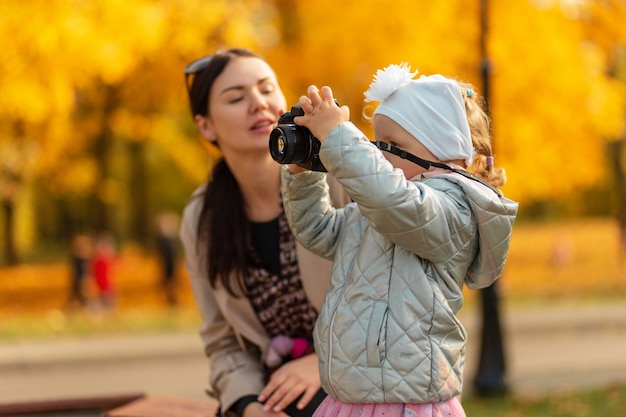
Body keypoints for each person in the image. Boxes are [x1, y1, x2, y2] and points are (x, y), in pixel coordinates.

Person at [279, 64, 518, 417]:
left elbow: (397, 203)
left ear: (444, 149)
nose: (378, 153)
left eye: (391, 145)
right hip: (350, 398)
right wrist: (303, 173)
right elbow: (318, 230)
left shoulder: (453, 209)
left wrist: (340, 137)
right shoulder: (376, 211)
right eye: (377, 143)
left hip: (407, 403)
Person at [179, 48, 350, 417]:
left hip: (357, 379)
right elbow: (223, 342)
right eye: (236, 98)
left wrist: (321, 364)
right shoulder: (201, 218)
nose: (258, 104)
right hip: (270, 395)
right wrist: (249, 405)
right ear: (206, 126)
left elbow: (392, 298)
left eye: (266, 89)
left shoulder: (340, 178)